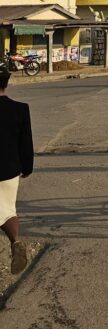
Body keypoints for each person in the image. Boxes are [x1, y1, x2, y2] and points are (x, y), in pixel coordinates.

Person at [0, 68, 34, 274]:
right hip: (9, 170)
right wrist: (27, 167)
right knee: (8, 210)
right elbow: (25, 143)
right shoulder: (20, 109)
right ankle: (15, 242)